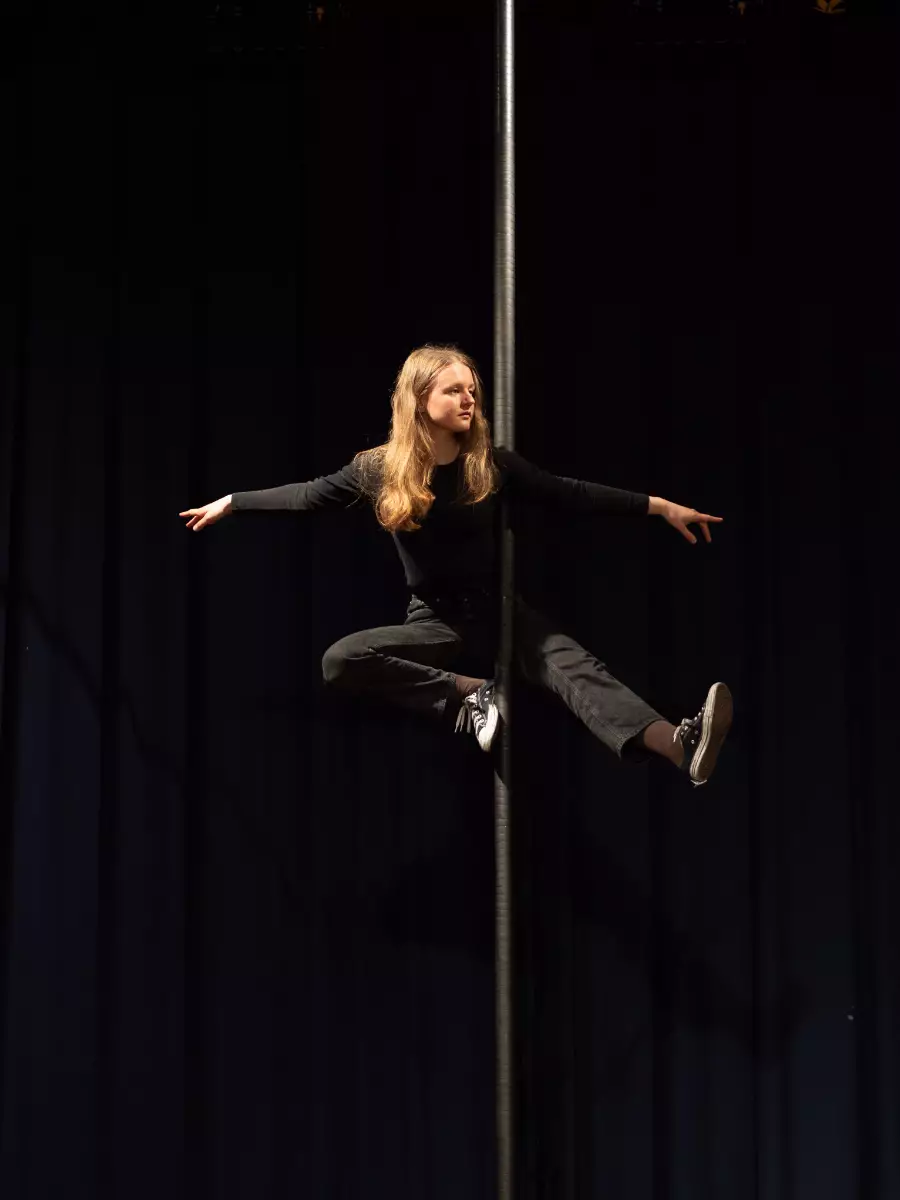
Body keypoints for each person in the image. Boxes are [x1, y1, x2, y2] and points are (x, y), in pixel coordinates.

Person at [180, 344, 732, 786]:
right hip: (434, 618)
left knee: (576, 669)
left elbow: (571, 493)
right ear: (421, 398)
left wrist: (660, 507)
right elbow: (307, 496)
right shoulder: (379, 470)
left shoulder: (489, 465)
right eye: (454, 390)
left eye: (472, 390)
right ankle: (469, 694)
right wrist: (234, 502)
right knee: (342, 659)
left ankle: (678, 745)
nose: (469, 399)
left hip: (497, 610)